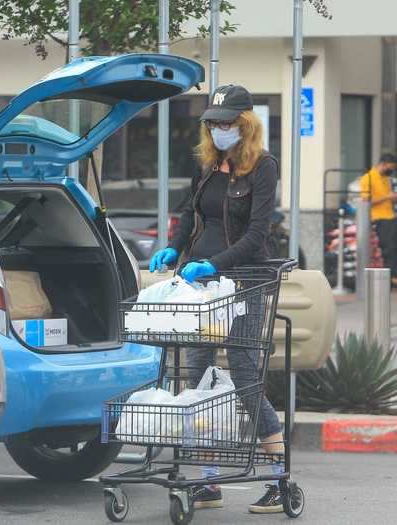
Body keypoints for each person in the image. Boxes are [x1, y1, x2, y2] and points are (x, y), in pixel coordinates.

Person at [149, 84, 287, 514]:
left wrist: (217, 264)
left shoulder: (263, 167)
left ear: (245, 123)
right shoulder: (207, 165)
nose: (220, 129)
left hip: (243, 281)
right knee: (198, 374)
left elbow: (256, 235)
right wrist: (174, 246)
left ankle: (278, 478)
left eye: (227, 122)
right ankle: (209, 482)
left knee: (244, 372)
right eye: (214, 122)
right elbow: (190, 212)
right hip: (199, 283)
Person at [360, 154, 397, 291]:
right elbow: (366, 201)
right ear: (384, 164)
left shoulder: (386, 179)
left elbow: (388, 198)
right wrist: (387, 196)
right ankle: (388, 279)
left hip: (391, 216)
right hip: (379, 218)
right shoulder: (367, 178)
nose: (392, 170)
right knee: (388, 249)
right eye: (391, 167)